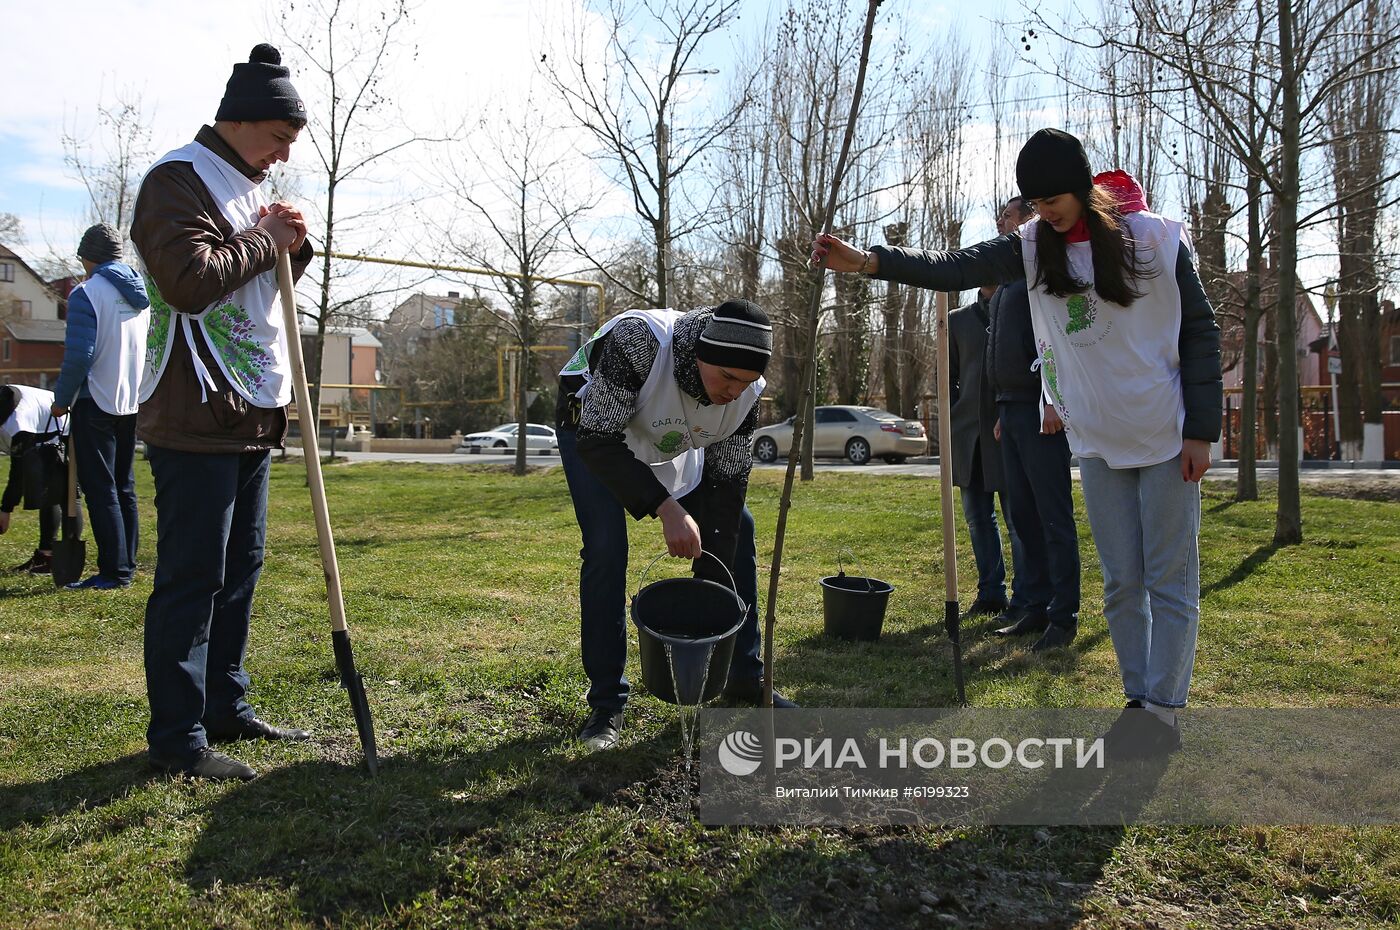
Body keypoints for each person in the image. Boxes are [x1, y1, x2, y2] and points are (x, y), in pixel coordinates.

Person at [813, 129, 1222, 757]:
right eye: (1035, 200)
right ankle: (1139, 701)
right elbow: (958, 266)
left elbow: (1199, 331)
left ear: (1081, 186)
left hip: (1167, 433)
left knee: (1168, 577)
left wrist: (1201, 430)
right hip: (1099, 440)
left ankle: (1164, 711)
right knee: (1120, 580)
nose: (1045, 210)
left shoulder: (1156, 241)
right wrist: (870, 262)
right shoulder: (1036, 247)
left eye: (1053, 197)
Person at [130, 43, 314, 781]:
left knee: (240, 570)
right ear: (240, 121)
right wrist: (264, 238)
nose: (283, 153)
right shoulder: (176, 180)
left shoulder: (243, 187)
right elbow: (187, 280)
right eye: (280, 137)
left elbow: (261, 279)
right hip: (195, 410)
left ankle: (223, 706)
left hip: (247, 414)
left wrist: (290, 247)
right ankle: (177, 737)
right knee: (192, 576)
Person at [556, 299, 796, 752]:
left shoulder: (745, 394)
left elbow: (726, 485)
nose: (733, 391)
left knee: (736, 528)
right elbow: (598, 441)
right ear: (700, 355)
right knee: (606, 548)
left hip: (665, 433)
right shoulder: (639, 344)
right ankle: (607, 703)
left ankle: (744, 676)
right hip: (593, 429)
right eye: (726, 377)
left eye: (744, 382)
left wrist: (711, 596)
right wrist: (667, 508)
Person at [983, 195, 1081, 650]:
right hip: (1012, 412)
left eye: (1009, 215)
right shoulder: (1005, 282)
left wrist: (1050, 400)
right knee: (1021, 515)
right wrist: (1003, 410)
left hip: (1043, 414)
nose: (1001, 221)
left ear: (1030, 222)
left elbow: (1058, 343)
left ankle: (1064, 616)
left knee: (1052, 517)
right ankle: (1032, 606)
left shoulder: (1041, 274)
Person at [50, 223, 150, 590]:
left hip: (95, 402)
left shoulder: (86, 293)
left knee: (100, 489)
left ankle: (114, 572)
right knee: (123, 486)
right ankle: (127, 561)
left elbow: (79, 356)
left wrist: (61, 401)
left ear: (86, 257)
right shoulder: (141, 295)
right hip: (130, 400)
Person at [946, 283, 1025, 620]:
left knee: (1017, 520)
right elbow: (947, 378)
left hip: (1007, 432)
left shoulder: (1020, 312)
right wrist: (954, 419)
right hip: (968, 437)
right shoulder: (957, 320)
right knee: (978, 518)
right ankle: (991, 592)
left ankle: (1027, 595)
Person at [0, 385, 69, 574]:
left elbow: (18, 472)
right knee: (49, 490)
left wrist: (6, 509)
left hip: (65, 424)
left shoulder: (16, 424)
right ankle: (47, 556)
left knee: (65, 493)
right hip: (44, 419)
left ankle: (56, 557)